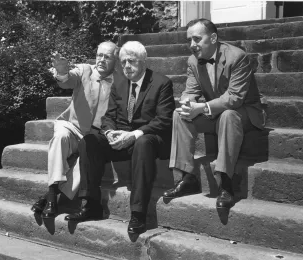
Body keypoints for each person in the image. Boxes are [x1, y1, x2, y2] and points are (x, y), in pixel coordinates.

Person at [64, 41, 175, 234]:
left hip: (149, 138)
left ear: (143, 61)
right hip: (121, 138)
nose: (126, 67)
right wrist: (109, 132)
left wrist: (133, 134)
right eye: (123, 62)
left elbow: (164, 120)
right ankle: (90, 205)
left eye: (131, 61)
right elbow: (109, 116)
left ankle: (138, 213)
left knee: (143, 142)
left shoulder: (161, 83)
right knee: (89, 141)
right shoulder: (120, 83)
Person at [163, 19, 266, 209]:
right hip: (214, 112)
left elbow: (235, 98)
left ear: (213, 38)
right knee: (179, 115)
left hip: (243, 113)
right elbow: (190, 90)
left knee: (228, 115)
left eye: (197, 39)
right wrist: (186, 103)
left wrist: (201, 108)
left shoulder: (237, 57)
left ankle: (226, 182)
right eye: (189, 40)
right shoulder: (193, 61)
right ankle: (188, 178)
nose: (192, 45)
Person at [31, 41, 123, 218]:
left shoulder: (120, 80)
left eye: (107, 57)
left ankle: (49, 197)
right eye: (99, 55)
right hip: (72, 126)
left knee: (84, 164)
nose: (101, 60)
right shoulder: (84, 70)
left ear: (116, 60)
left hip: (96, 134)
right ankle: (51, 196)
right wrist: (62, 72)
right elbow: (67, 81)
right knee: (60, 137)